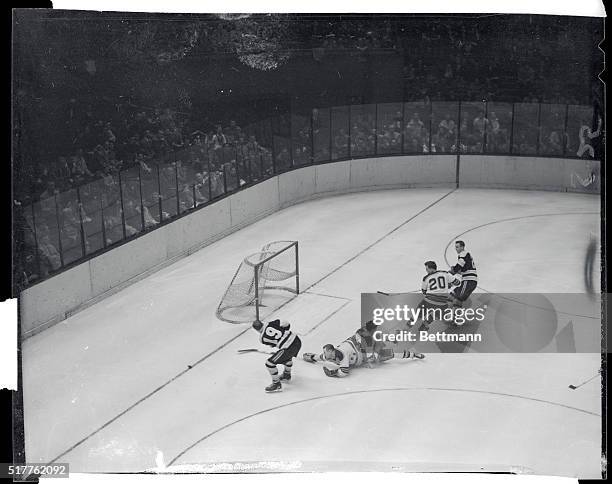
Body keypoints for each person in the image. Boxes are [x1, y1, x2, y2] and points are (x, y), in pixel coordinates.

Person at [303, 322, 424, 378]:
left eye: (326, 353)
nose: (325, 355)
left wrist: (333, 373)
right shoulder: (331, 355)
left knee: (388, 353)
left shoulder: (340, 355)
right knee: (385, 348)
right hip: (358, 349)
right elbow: (322, 357)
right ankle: (400, 340)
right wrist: (312, 357)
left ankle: (413, 354)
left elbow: (344, 372)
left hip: (362, 352)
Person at [251, 319, 302, 393]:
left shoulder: (262, 339)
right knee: (286, 357)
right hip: (297, 340)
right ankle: (286, 375)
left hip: (288, 347)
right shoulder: (271, 323)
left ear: (256, 330)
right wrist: (284, 332)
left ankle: (276, 384)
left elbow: (273, 344)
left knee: (270, 363)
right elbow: (286, 323)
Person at [449, 241, 478, 307]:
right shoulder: (466, 255)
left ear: (462, 247)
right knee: (451, 296)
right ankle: (448, 314)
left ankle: (454, 316)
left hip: (469, 281)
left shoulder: (463, 254)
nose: (456, 249)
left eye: (457, 247)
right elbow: (464, 269)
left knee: (458, 300)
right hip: (467, 281)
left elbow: (458, 266)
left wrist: (451, 272)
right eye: (455, 247)